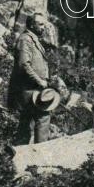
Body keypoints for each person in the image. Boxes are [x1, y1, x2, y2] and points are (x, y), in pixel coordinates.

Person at [9, 14, 66, 144]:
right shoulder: (25, 39)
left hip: (31, 89)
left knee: (26, 123)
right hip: (30, 89)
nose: (43, 27)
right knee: (42, 118)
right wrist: (40, 81)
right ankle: (40, 154)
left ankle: (21, 155)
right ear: (31, 24)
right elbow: (24, 64)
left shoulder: (31, 39)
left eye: (43, 24)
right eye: (40, 24)